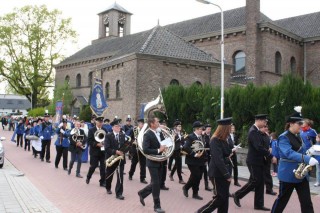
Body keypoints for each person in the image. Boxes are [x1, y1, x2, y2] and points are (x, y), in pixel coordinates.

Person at [271, 115, 318, 213]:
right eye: (299, 124)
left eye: (302, 123)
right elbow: (288, 153)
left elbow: (302, 150)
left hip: (301, 173)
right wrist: (306, 158)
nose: (301, 126)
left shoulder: (299, 135)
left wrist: (312, 151)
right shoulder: (283, 137)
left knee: (306, 202)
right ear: (291, 124)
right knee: (282, 201)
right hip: (288, 174)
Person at [233, 114, 271, 211]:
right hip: (254, 161)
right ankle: (238, 194)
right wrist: (269, 154)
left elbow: (263, 143)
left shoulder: (258, 131)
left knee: (260, 182)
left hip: (259, 161)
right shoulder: (253, 131)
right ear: (258, 120)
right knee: (255, 181)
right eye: (264, 121)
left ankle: (259, 204)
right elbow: (258, 147)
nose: (265, 123)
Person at [196, 118, 233, 213]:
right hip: (217, 173)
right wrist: (227, 175)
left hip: (223, 171)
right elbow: (218, 160)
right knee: (220, 198)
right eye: (229, 127)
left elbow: (227, 153)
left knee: (224, 198)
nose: (231, 129)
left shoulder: (224, 139)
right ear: (224, 128)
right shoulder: (215, 140)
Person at [138, 116, 166, 213]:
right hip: (152, 162)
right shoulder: (147, 134)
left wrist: (167, 144)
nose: (159, 123)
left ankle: (142, 193)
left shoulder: (159, 132)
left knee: (156, 182)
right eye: (157, 122)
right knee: (156, 184)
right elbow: (145, 150)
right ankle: (157, 206)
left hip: (160, 161)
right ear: (152, 124)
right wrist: (159, 150)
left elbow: (164, 143)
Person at [182, 121, 206, 200]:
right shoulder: (190, 136)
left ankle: (195, 193)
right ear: (196, 129)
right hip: (192, 161)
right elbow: (185, 147)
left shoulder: (201, 137)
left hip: (201, 161)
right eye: (200, 129)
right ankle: (186, 187)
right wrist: (194, 154)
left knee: (198, 177)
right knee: (195, 175)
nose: (201, 130)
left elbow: (202, 148)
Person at [105, 118, 126, 200]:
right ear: (113, 127)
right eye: (117, 126)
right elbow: (107, 148)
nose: (119, 128)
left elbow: (124, 146)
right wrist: (116, 151)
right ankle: (108, 187)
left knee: (120, 176)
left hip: (120, 159)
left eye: (119, 126)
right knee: (109, 175)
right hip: (111, 158)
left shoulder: (122, 135)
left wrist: (126, 149)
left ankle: (119, 193)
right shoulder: (108, 136)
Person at [86, 116, 106, 187]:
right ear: (96, 122)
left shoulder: (104, 129)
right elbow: (89, 141)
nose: (101, 123)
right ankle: (88, 176)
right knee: (93, 166)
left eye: (102, 122)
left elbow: (106, 139)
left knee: (103, 167)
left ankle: (102, 182)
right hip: (94, 151)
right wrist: (97, 144)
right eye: (99, 122)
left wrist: (104, 143)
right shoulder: (91, 130)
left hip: (103, 152)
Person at [128, 118, 148, 184]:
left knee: (143, 164)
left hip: (142, 150)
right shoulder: (134, 130)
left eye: (142, 124)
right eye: (140, 124)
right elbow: (129, 138)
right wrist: (132, 142)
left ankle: (143, 178)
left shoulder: (146, 131)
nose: (141, 125)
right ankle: (130, 174)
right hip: (135, 149)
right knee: (134, 163)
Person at [260, 125, 277, 196]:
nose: (266, 129)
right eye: (264, 127)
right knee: (257, 174)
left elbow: (268, 145)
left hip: (267, 157)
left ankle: (269, 189)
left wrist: (269, 149)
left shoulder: (267, 136)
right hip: (261, 157)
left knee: (267, 173)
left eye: (267, 127)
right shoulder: (259, 136)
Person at [169, 120, 186, 184]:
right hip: (175, 150)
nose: (180, 127)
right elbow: (171, 141)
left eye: (180, 126)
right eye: (179, 126)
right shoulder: (173, 133)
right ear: (175, 127)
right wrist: (176, 139)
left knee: (177, 164)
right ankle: (180, 179)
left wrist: (183, 145)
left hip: (180, 150)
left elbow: (183, 141)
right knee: (179, 164)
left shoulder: (181, 133)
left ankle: (171, 174)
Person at [202, 124, 212, 191]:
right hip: (204, 156)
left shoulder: (211, 136)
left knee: (211, 168)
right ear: (205, 129)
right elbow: (202, 146)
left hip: (210, 155)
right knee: (205, 170)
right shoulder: (203, 136)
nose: (209, 130)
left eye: (210, 129)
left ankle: (211, 181)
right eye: (208, 129)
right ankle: (206, 185)